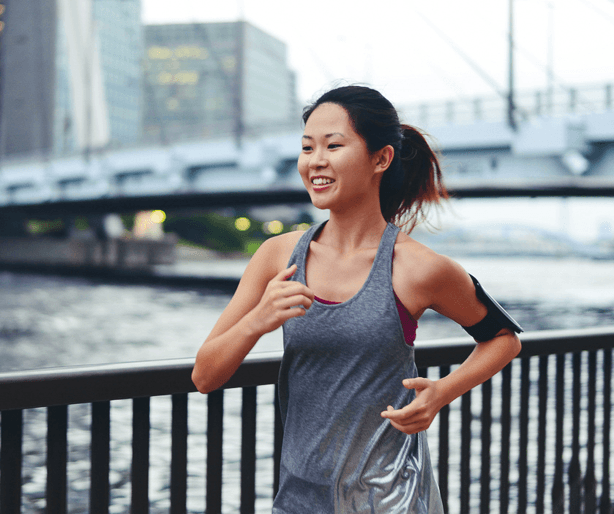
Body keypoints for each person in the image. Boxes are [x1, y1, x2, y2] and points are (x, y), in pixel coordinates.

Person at [191, 85, 523, 513]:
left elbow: (503, 338)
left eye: (334, 145)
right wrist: (259, 319)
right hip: (299, 500)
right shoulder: (278, 256)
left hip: (393, 501)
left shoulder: (417, 268)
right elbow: (204, 375)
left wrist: (440, 393)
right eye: (307, 147)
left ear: (380, 159)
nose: (315, 162)